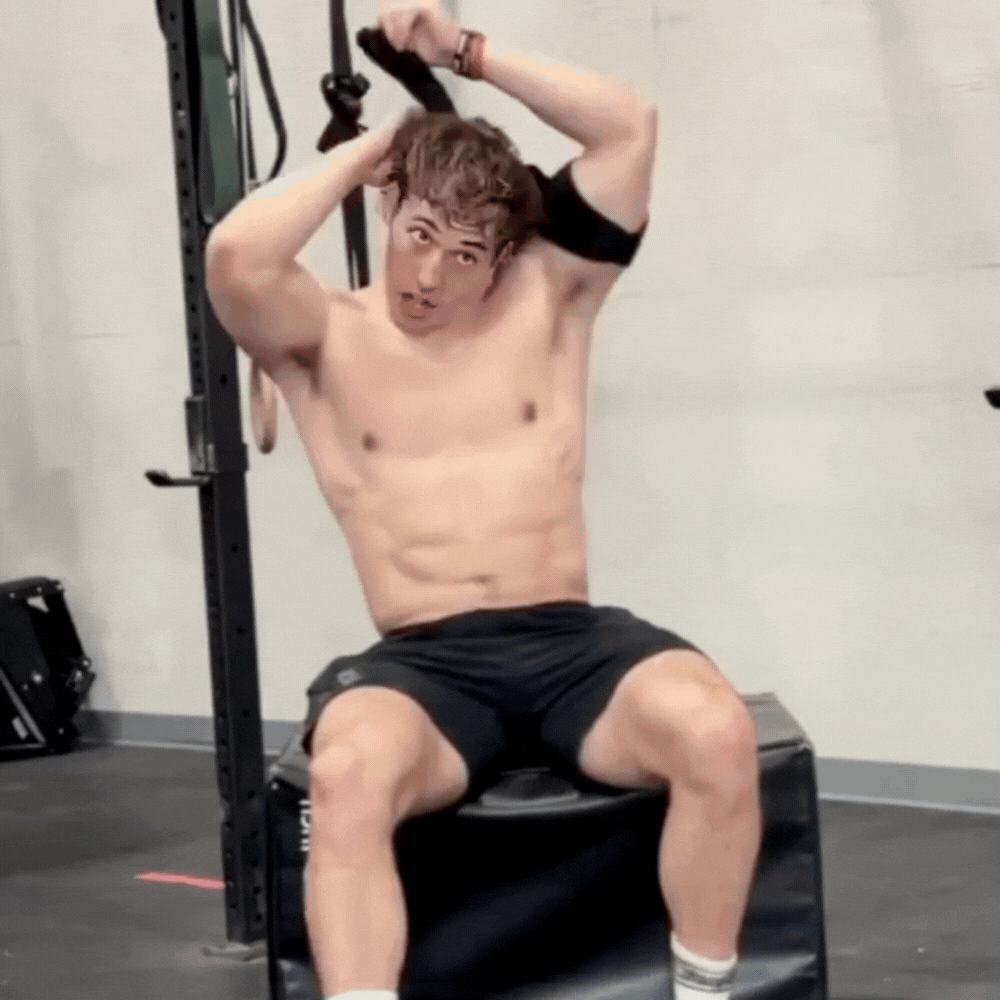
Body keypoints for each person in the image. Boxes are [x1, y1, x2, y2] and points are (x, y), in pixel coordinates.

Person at [205, 3, 762, 999]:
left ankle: (705, 992)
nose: (428, 275)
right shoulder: (320, 334)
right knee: (347, 776)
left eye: (464, 253)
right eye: (418, 234)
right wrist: (380, 147)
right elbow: (236, 257)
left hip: (573, 647)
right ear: (388, 211)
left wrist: (463, 53)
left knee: (716, 733)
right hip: (426, 666)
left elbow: (626, 127)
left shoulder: (552, 295)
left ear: (502, 257)